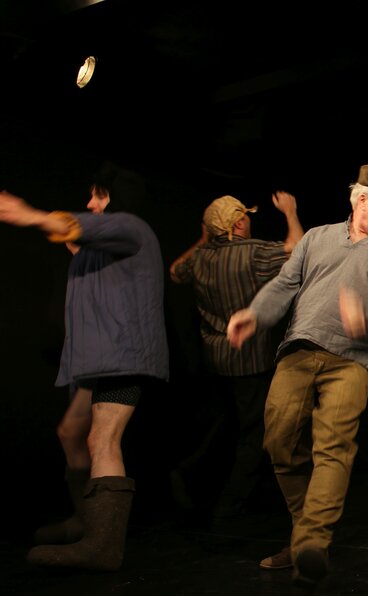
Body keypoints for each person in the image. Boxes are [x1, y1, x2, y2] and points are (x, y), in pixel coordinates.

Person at [226, 164, 368, 587]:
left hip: (352, 360)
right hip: (298, 351)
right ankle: (302, 538)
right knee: (279, 442)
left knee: (333, 447)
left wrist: (366, 316)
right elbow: (284, 285)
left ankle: (312, 543)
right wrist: (255, 314)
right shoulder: (316, 238)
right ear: (362, 200)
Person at [0, 163, 168, 570]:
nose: (91, 203)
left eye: (99, 195)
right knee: (71, 433)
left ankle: (103, 545)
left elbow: (76, 226)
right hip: (97, 361)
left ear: (117, 198)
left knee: (101, 439)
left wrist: (29, 215)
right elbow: (80, 239)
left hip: (122, 357)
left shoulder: (130, 226)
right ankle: (86, 520)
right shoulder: (105, 245)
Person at [168, 192, 304, 521]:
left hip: (215, 359)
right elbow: (298, 250)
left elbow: (174, 271)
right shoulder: (251, 252)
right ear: (238, 223)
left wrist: (203, 239)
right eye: (244, 216)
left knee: (226, 424)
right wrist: (290, 212)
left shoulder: (200, 258)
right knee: (254, 433)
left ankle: (187, 474)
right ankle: (230, 504)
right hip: (247, 359)